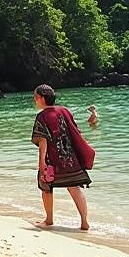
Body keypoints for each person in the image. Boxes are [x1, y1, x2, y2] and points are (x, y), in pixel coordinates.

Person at [31, 84, 91, 230]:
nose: (35, 101)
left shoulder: (42, 116)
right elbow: (75, 131)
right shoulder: (65, 110)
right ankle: (84, 222)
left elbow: (43, 141)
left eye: (35, 98)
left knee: (46, 187)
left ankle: (49, 219)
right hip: (70, 159)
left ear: (41, 98)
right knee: (74, 187)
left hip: (52, 161)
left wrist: (41, 165)